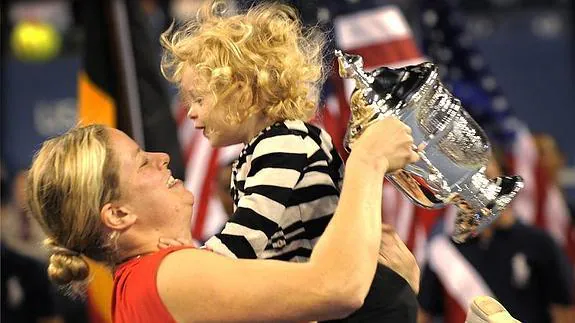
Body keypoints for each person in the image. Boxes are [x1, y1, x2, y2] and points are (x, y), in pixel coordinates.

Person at [160, 1, 419, 321]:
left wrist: (192, 268)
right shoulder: (273, 143)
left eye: (199, 98)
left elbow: (251, 231)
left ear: (240, 92)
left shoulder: (282, 143)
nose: (191, 112)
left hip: (366, 305)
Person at [25, 119, 419, 322]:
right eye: (143, 163)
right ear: (118, 214)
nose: (162, 157)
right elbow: (337, 289)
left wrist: (396, 290)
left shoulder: (150, 281)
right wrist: (368, 159)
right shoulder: (166, 276)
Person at [417, 154, 574, 323]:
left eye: (487, 178)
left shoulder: (539, 243)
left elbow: (564, 313)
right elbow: (423, 314)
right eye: (469, 182)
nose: (478, 189)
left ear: (504, 181)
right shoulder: (445, 250)